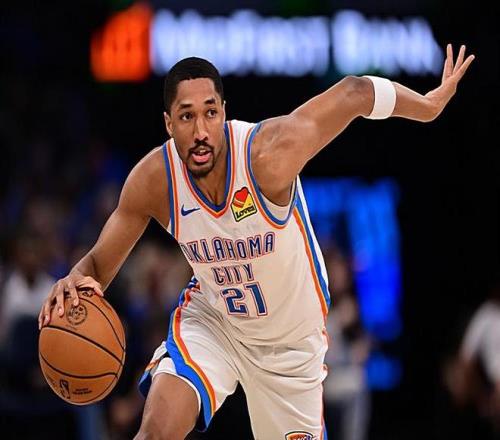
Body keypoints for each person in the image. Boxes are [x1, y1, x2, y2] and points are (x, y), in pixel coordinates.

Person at [38, 43, 474, 439]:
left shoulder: (268, 155)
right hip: (215, 322)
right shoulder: (154, 180)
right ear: (169, 124)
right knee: (155, 433)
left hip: (291, 344)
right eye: (187, 116)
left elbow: (354, 92)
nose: (201, 129)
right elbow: (97, 267)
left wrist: (429, 106)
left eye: (210, 112)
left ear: (224, 111)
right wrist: (74, 280)